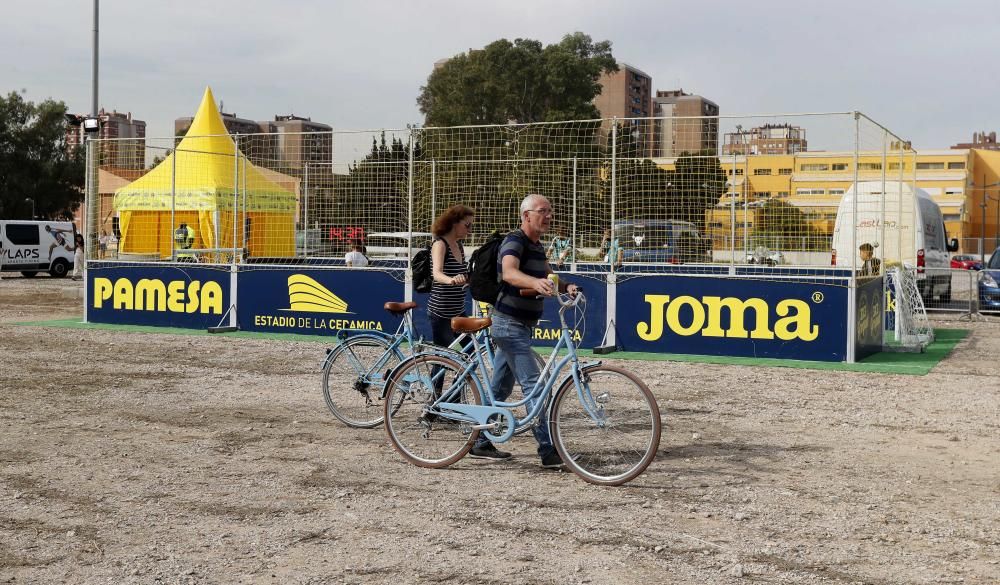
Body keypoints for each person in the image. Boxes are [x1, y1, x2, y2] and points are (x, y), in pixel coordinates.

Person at [470, 194, 579, 468]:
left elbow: (548, 275)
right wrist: (535, 282)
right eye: (543, 211)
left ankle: (479, 440)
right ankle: (547, 450)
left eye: (551, 211)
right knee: (535, 385)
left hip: (521, 325)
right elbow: (509, 273)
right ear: (526, 215)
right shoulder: (514, 241)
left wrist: (565, 286)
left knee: (500, 386)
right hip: (508, 325)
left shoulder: (537, 246)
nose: (549, 216)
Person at [428, 204, 474, 350]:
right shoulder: (440, 244)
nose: (470, 230)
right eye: (467, 225)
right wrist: (451, 280)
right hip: (441, 312)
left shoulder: (458, 245)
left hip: (458, 311)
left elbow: (463, 274)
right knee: (442, 357)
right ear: (454, 223)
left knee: (472, 351)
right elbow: (436, 273)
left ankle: (462, 374)